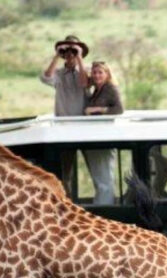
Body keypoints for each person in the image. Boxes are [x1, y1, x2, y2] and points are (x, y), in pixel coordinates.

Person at [83, 62, 123, 205]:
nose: (97, 75)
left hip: (104, 136)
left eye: (100, 72)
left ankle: (105, 212)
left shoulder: (110, 88)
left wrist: (97, 110)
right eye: (94, 72)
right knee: (99, 179)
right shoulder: (96, 90)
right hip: (95, 136)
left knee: (104, 178)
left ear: (107, 74)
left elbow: (119, 109)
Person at [40, 34, 90, 116]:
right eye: (67, 50)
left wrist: (79, 57)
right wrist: (57, 56)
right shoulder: (58, 73)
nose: (70, 53)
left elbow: (84, 83)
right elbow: (46, 78)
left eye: (74, 50)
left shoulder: (87, 70)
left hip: (83, 117)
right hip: (63, 117)